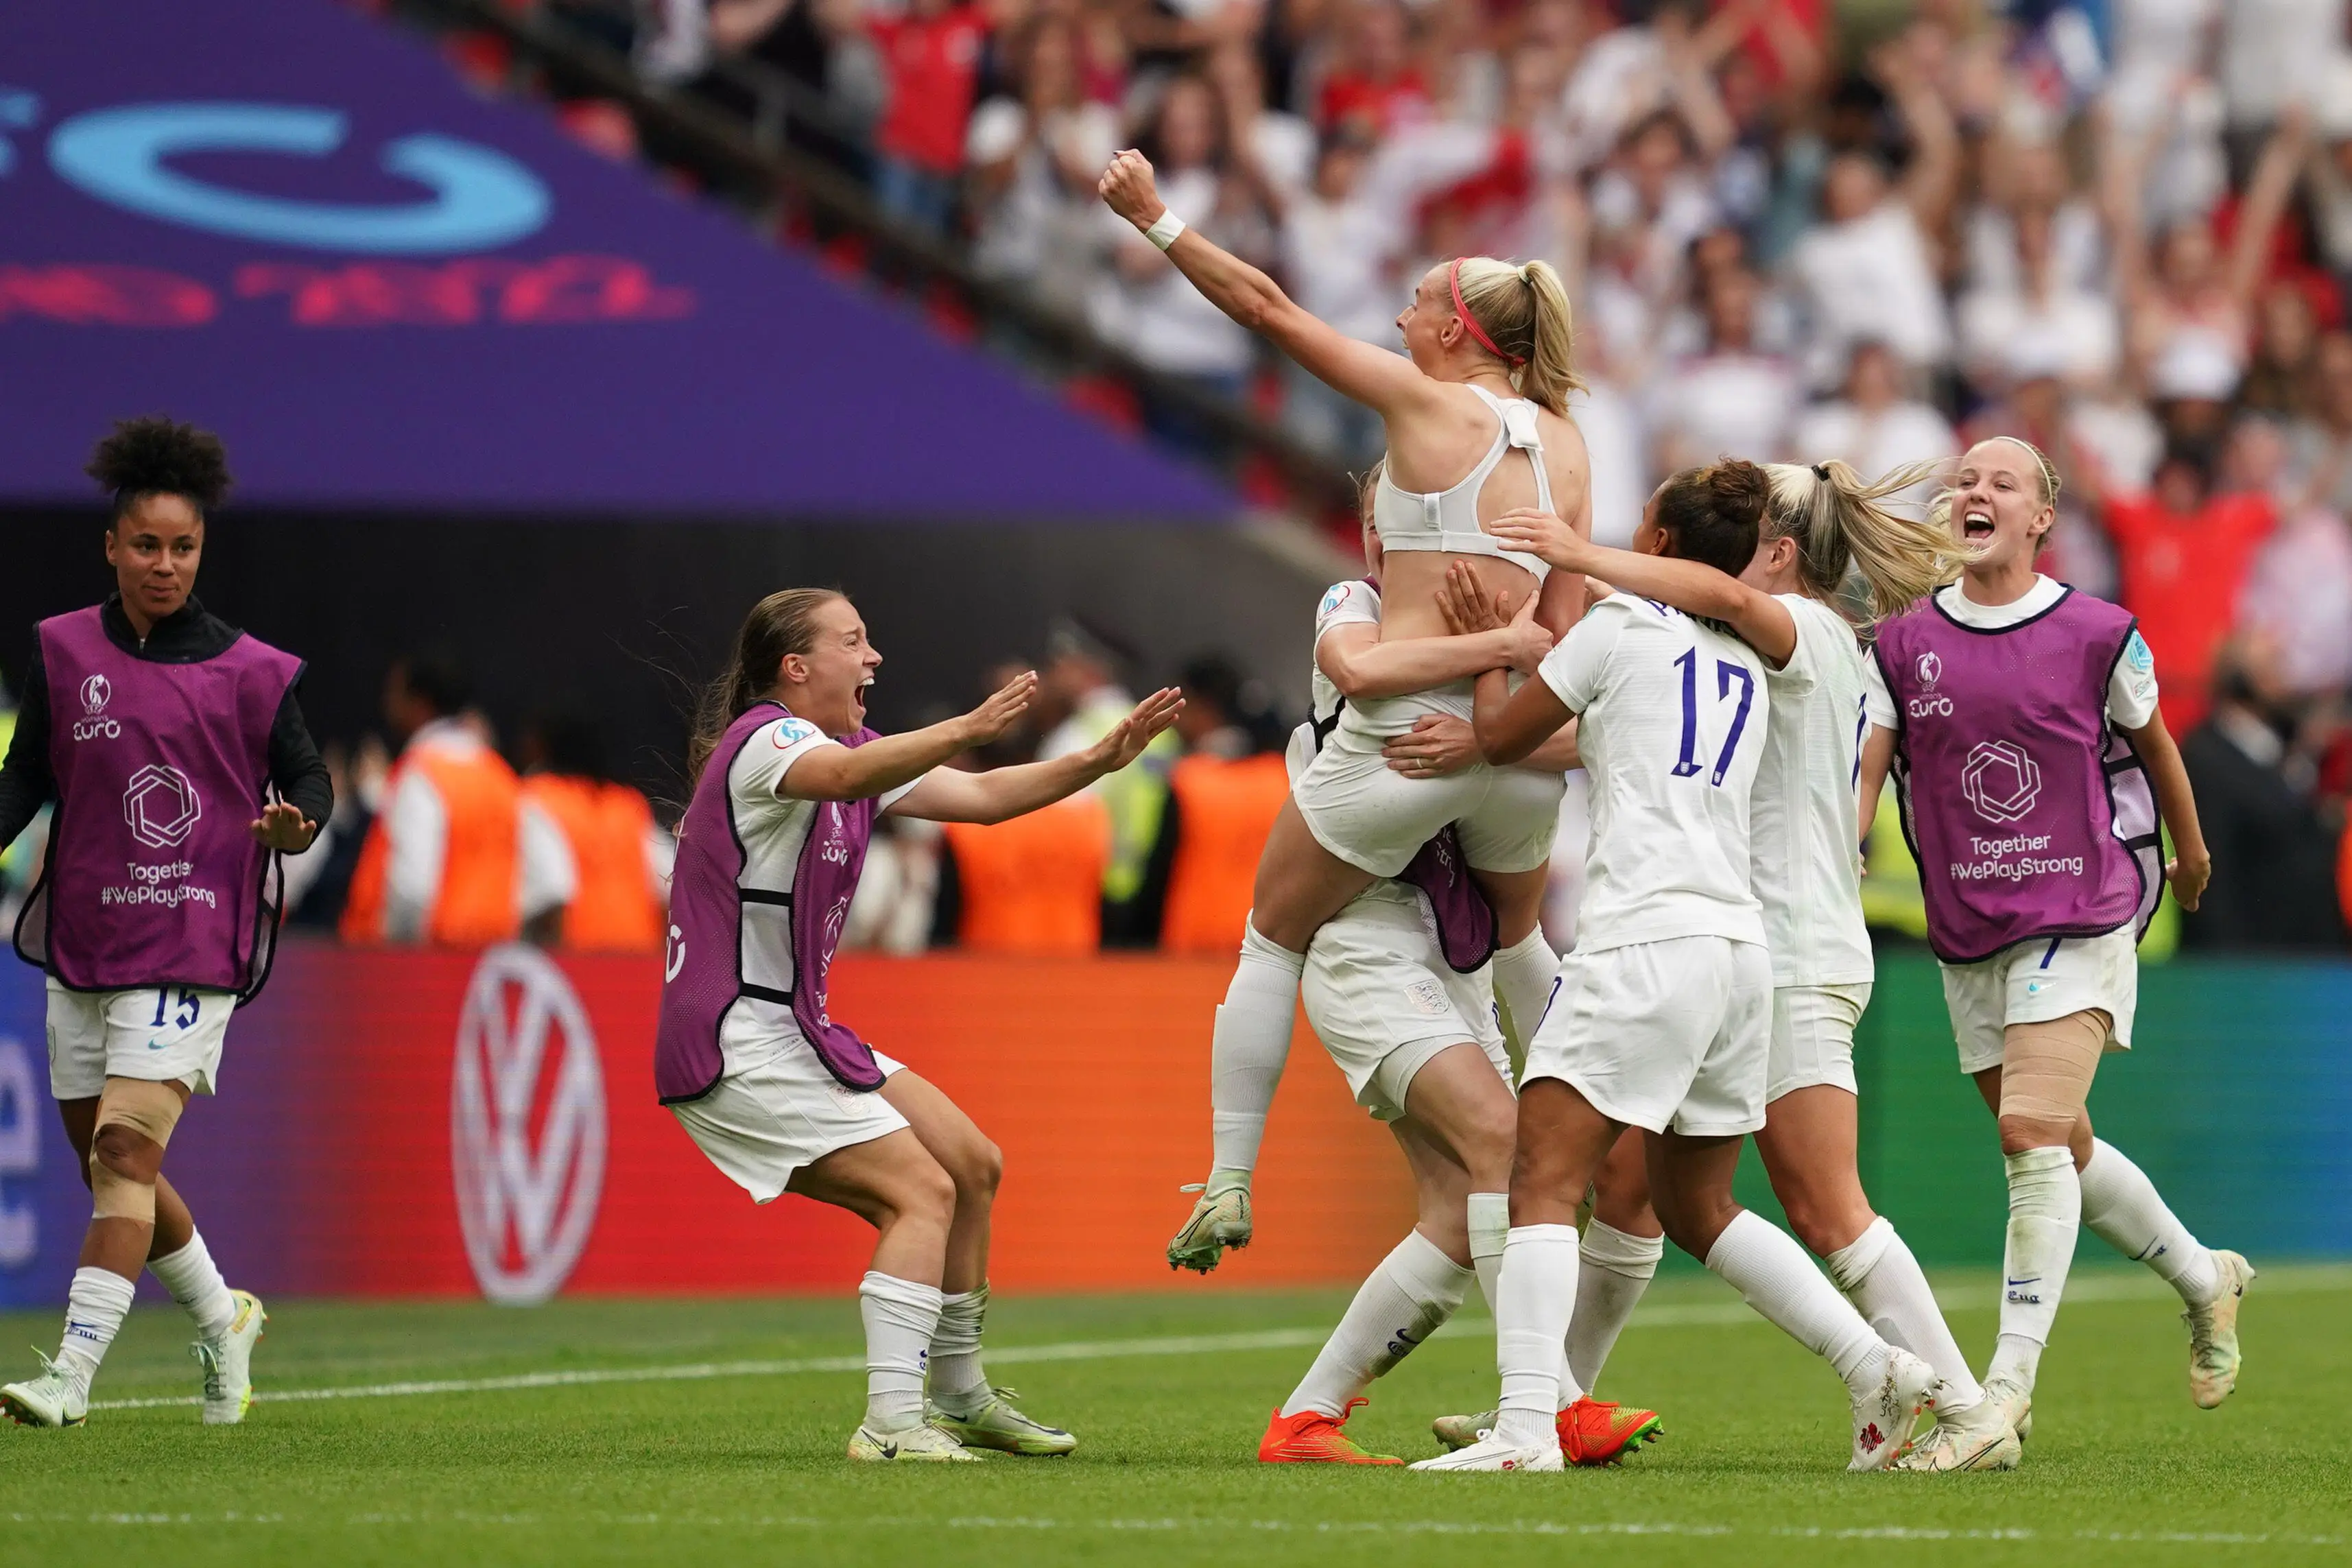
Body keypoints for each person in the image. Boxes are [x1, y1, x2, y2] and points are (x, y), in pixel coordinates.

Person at [1099, 150, 1591, 1279]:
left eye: (1423, 298)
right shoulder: (1566, 441)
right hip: (1512, 746)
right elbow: (1560, 628)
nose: (1403, 309)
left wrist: (1157, 220)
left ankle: (1225, 1176)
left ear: (1462, 333)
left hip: (1401, 741)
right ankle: (1584, 1123)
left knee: (1272, 931)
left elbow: (1265, 309)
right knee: (1517, 934)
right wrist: (1507, 664)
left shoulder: (1421, 404)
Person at [1488, 458, 2026, 1469]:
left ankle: (1958, 1400)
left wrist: (1576, 556)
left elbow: (1723, 596)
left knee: (1822, 1203)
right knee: (1637, 1184)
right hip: (1762, 940)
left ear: (1780, 552)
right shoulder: (1752, 651)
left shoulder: (1805, 632)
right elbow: (1629, 725)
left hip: (1783, 946)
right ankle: (1554, 1399)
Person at [658, 588, 1179, 1462]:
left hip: (798, 1026)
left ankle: (963, 1395)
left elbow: (989, 800)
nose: (874, 659)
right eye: (854, 642)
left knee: (972, 1166)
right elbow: (849, 776)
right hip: (736, 1039)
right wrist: (968, 725)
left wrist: (1102, 759)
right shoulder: (769, 744)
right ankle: (893, 1425)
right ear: (796, 667)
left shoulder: (849, 750)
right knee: (921, 1190)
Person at [1244, 474, 1665, 1469]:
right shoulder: (1360, 613)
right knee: (1508, 1147)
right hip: (1361, 938)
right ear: (1381, 528)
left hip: (1448, 945)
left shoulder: (1527, 621)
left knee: (1455, 1213)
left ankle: (1305, 1419)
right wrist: (1504, 654)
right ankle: (1554, 1405)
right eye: (1415, 512)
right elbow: (1372, 676)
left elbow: (1579, 729)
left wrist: (1527, 644)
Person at [1857, 436, 2254, 1442]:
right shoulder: (1903, 641)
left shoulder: (2096, 630)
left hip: (2080, 908)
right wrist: (1844, 845)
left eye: (2005, 481)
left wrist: (2191, 853)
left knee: (2029, 1133)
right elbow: (1873, 760)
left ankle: (2005, 1395)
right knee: (2061, 1144)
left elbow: (2155, 740)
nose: (1977, 490)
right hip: (1968, 927)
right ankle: (2205, 1276)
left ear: (2041, 517)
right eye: (1968, 479)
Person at [0, 418, 333, 1427]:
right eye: (146, 544)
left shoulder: (251, 671)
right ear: (112, 545)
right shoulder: (63, 652)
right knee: (112, 1160)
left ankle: (72, 1376)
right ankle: (223, 1313)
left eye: (182, 546)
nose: (164, 563)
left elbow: (309, 774)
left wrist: (295, 821)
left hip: (192, 940)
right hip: (87, 940)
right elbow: (25, 782)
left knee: (126, 1155)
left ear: (202, 550)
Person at [339, 654, 572, 947]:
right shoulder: (501, 778)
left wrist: (394, 966)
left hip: (419, 967)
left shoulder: (422, 773)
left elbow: (411, 890)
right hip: (487, 967)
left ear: (419, 702)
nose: (387, 703)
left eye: (394, 693)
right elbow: (551, 883)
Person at [517, 712, 671, 953]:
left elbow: (553, 890)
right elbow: (668, 884)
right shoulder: (628, 805)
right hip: (640, 955)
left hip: (577, 958)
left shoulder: (539, 798)